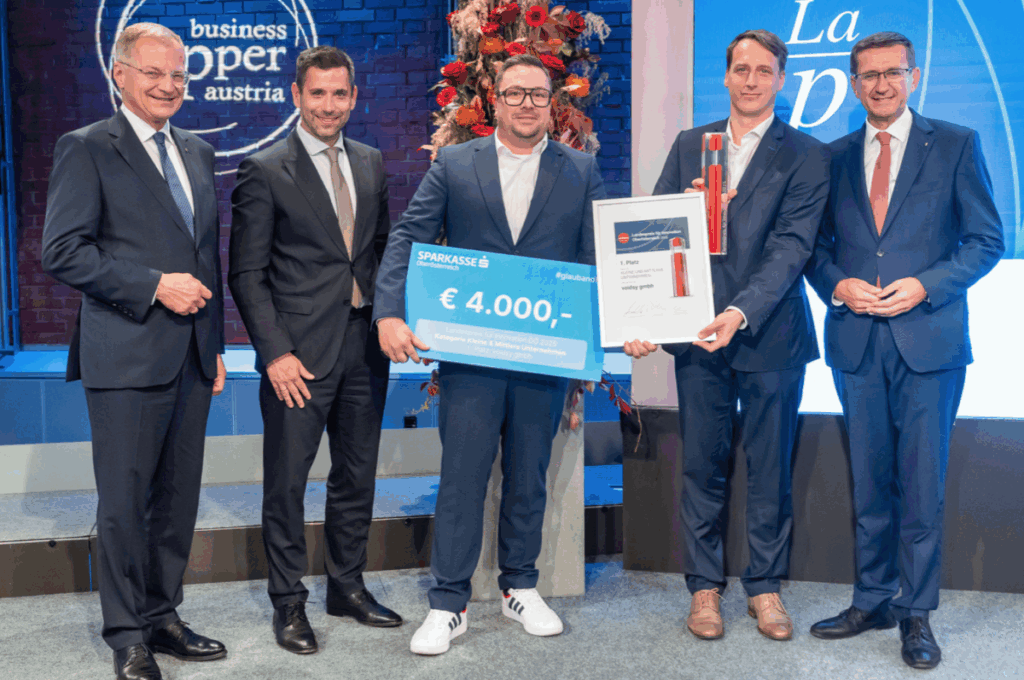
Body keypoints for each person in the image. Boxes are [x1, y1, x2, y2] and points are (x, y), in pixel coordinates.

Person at [372, 53, 605, 655]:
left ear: (552, 104)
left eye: (538, 94)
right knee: (462, 477)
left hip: (543, 353)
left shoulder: (581, 170)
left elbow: (594, 260)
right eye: (515, 93)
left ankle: (520, 587)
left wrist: (606, 337)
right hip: (470, 355)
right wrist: (389, 312)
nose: (527, 104)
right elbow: (409, 236)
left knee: (529, 475)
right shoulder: (455, 163)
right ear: (494, 101)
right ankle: (447, 603)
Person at [805, 32, 1004, 669]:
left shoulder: (955, 144)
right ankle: (872, 600)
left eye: (892, 73)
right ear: (853, 84)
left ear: (913, 77)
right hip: (857, 341)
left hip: (930, 341)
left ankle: (915, 614)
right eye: (869, 75)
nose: (881, 85)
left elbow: (986, 241)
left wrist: (927, 284)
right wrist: (837, 285)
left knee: (921, 486)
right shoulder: (830, 158)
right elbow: (813, 248)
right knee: (869, 482)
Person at [623, 29, 829, 641]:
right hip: (694, 332)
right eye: (742, 69)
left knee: (769, 467)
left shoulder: (807, 154)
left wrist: (739, 312)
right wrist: (646, 312)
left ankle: (764, 587)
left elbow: (792, 246)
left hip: (770, 333)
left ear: (781, 79)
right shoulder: (693, 145)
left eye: (764, 71)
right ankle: (704, 587)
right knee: (702, 466)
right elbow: (652, 232)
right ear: (726, 75)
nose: (751, 80)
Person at [40, 22, 226, 680]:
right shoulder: (86, 147)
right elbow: (62, 250)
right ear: (119, 74)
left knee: (176, 502)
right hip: (124, 356)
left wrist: (215, 344)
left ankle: (162, 616)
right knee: (124, 506)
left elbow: (206, 255)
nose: (168, 86)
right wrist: (152, 285)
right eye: (153, 73)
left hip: (193, 357)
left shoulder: (198, 150)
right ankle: (127, 635)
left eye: (178, 75)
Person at [228, 45, 400, 655]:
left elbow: (380, 253)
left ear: (353, 97)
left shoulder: (371, 161)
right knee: (287, 484)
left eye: (339, 93)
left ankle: (346, 587)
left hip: (363, 346)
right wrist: (274, 353)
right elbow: (247, 274)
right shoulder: (264, 169)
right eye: (318, 93)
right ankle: (288, 602)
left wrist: (392, 317)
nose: (329, 105)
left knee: (356, 476)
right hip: (296, 357)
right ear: (296, 95)